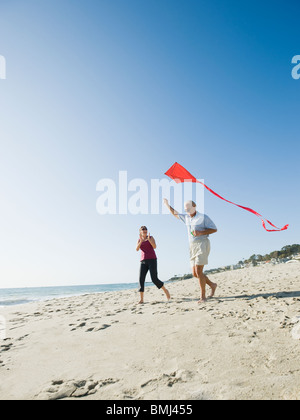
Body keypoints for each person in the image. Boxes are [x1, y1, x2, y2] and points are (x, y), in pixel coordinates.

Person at [164, 199, 217, 303]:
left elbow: (214, 229)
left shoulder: (203, 217)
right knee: (195, 273)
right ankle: (212, 285)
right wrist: (167, 205)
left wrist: (200, 232)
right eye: (186, 209)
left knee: (198, 271)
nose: (187, 210)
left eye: (188, 208)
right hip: (192, 246)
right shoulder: (186, 218)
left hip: (202, 243)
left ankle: (203, 297)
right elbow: (175, 213)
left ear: (194, 206)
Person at [136, 226, 170, 304]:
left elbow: (154, 247)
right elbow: (137, 249)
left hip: (152, 260)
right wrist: (141, 241)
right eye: (143, 231)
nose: (145, 232)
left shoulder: (151, 237)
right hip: (143, 261)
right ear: (140, 232)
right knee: (141, 279)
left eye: (145, 230)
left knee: (154, 279)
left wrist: (149, 240)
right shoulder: (139, 240)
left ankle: (165, 290)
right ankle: (141, 299)